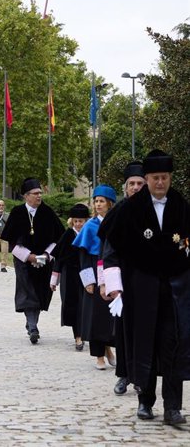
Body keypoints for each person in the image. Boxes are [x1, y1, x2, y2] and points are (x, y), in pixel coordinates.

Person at [104, 150, 190, 425]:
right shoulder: (131, 208)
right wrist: (115, 287)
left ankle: (173, 407)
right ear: (147, 178)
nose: (160, 183)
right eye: (155, 178)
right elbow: (112, 249)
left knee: (173, 345)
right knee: (145, 344)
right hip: (141, 289)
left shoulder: (180, 205)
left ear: (170, 178)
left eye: (165, 178)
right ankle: (145, 400)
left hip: (175, 290)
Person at [98, 161, 146, 395]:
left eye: (140, 183)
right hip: (123, 280)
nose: (136, 188)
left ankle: (142, 376)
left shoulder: (155, 211)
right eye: (132, 184)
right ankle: (124, 375)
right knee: (125, 329)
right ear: (125, 187)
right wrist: (106, 282)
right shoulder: (117, 212)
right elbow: (106, 251)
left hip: (149, 280)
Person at [1, 178, 65, 344]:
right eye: (35, 194)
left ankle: (32, 323)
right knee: (28, 291)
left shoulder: (48, 212)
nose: (39, 196)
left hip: (45, 260)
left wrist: (45, 256)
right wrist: (29, 257)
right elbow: (11, 241)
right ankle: (33, 326)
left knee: (40, 292)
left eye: (40, 193)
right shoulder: (17, 213)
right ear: (26, 196)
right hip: (23, 261)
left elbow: (59, 239)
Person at [73, 184, 117, 370]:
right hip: (93, 269)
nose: (98, 205)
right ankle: (99, 355)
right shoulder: (90, 226)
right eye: (96, 201)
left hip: (111, 270)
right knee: (95, 317)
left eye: (102, 201)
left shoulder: (116, 222)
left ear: (110, 203)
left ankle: (108, 348)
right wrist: (88, 280)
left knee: (110, 316)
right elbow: (82, 256)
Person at [50, 203, 90, 351]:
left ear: (86, 221)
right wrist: (54, 280)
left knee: (86, 305)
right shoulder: (67, 235)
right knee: (73, 305)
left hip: (87, 274)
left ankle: (86, 333)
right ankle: (78, 337)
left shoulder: (90, 233)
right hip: (69, 275)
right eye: (76, 221)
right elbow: (58, 259)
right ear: (72, 221)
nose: (78, 224)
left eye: (81, 221)